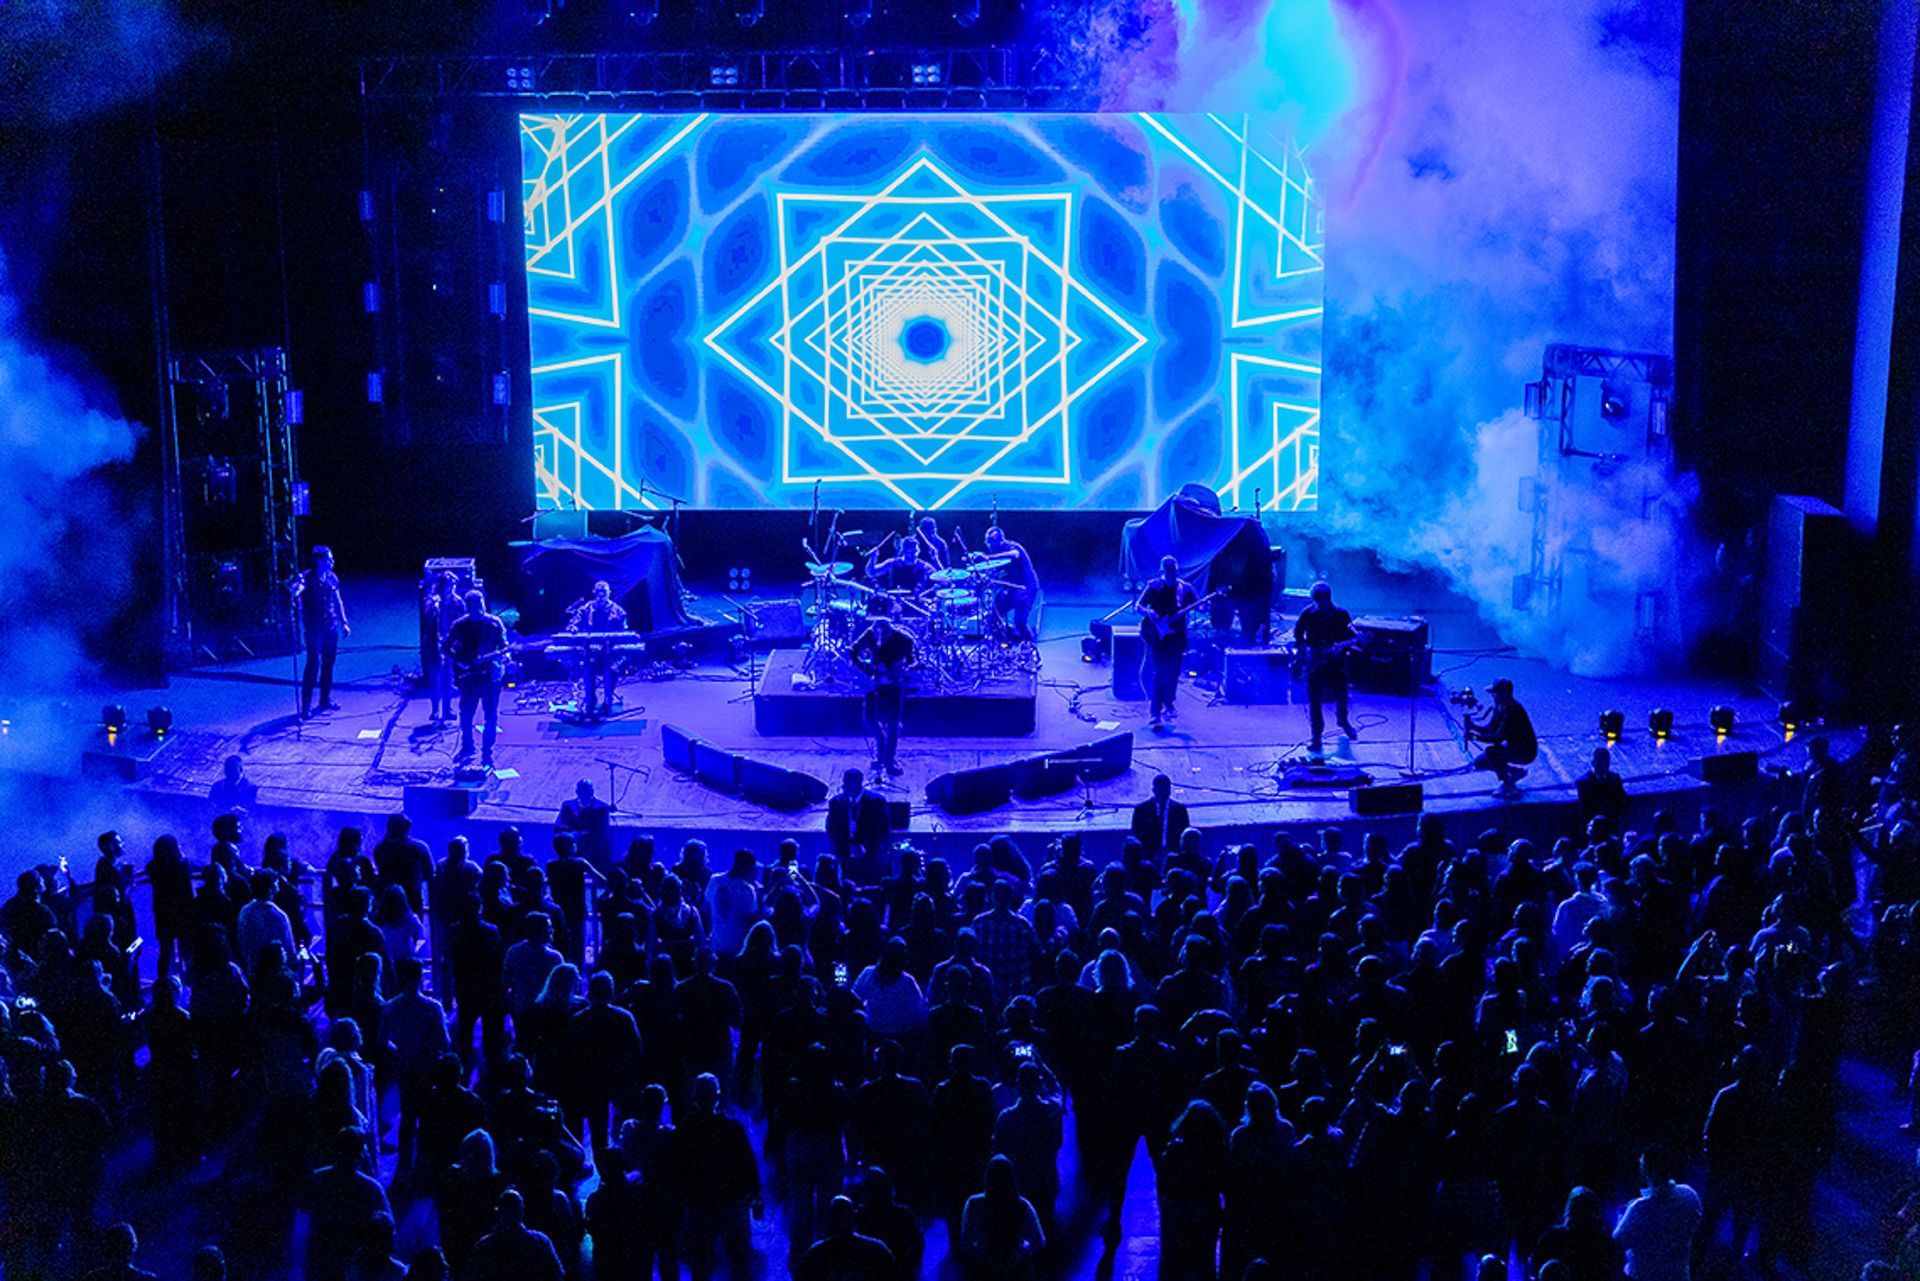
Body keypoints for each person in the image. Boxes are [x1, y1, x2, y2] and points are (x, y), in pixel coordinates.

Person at [1613, 1145, 1702, 1281]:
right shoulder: (1689, 1195)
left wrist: (1621, 1218)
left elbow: (1617, 1244)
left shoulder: (1639, 1208)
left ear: (1644, 1171)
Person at [445, 589, 510, 770]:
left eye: (480, 606)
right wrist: (461, 662)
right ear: (468, 608)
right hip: (469, 677)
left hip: (490, 676)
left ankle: (487, 753)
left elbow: (504, 646)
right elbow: (445, 648)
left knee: (491, 715)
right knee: (466, 714)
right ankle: (468, 747)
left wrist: (504, 657)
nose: (478, 610)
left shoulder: (494, 623)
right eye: (474, 607)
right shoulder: (460, 625)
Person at [1293, 579, 1358, 754]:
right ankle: (1316, 736)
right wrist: (1304, 650)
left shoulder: (1341, 615)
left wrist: (1343, 647)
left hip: (1336, 662)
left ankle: (1343, 721)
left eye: (1321, 601)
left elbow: (1350, 636)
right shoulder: (1308, 614)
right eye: (1316, 602)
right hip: (1315, 661)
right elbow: (1298, 634)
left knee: (1342, 694)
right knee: (1314, 699)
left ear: (1328, 599)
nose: (1319, 605)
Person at [1135, 554, 1198, 728]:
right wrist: (1149, 612)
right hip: (1157, 634)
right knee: (1160, 672)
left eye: (1173, 569)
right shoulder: (1153, 586)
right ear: (1162, 570)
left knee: (1174, 671)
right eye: (1168, 569)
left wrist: (1207, 603)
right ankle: (1155, 712)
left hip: (1177, 635)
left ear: (1177, 570)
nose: (1171, 572)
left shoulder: (1185, 589)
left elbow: (1199, 605)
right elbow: (1138, 606)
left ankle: (1169, 703)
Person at [851, 614, 914, 778]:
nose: (880, 636)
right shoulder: (870, 634)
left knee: (892, 724)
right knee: (870, 720)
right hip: (873, 685)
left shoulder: (903, 639)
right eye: (877, 630)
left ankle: (889, 761)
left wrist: (902, 671)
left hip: (893, 686)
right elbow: (852, 651)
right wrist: (864, 668)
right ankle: (880, 754)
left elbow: (912, 661)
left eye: (884, 632)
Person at [295, 544, 351, 719]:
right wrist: (296, 591)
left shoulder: (332, 578)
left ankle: (325, 700)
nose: (332, 562)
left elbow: (338, 600)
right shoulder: (306, 578)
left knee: (328, 663)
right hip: (314, 629)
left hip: (330, 627)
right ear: (319, 561)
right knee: (313, 665)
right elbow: (296, 593)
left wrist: (344, 622)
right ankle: (305, 707)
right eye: (329, 559)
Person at [566, 579, 630, 717]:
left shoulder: (618, 611)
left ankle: (608, 699)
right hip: (591, 652)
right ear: (594, 593)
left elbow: (625, 633)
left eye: (604, 593)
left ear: (609, 594)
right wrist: (573, 628)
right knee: (588, 669)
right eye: (598, 593)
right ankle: (590, 700)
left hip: (612, 653)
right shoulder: (585, 609)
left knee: (612, 670)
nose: (601, 596)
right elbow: (573, 623)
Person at [1467, 677, 1539, 796]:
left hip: (1525, 751)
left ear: (1504, 693)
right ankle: (1515, 772)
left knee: (1491, 752)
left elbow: (1497, 738)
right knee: (1480, 762)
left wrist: (1475, 737)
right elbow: (1490, 728)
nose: (1492, 696)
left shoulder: (1512, 711)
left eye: (1494, 693)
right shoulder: (1499, 707)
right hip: (1513, 746)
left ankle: (1508, 785)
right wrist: (1473, 727)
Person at [797, 1195, 895, 1281]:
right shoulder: (875, 1249)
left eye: (843, 1216)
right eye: (839, 1217)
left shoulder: (816, 1254)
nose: (841, 1221)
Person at [979, 526, 1039, 643]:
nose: (989, 546)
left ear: (1000, 541)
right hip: (1010, 589)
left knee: (1020, 622)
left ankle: (1030, 645)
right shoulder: (997, 552)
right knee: (993, 617)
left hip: (1025, 588)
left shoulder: (1013, 547)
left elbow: (1014, 554)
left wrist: (988, 557)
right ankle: (1003, 645)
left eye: (991, 543)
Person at [828, 769, 892, 878]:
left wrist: (865, 846)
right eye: (845, 783)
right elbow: (831, 828)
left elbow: (883, 829)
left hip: (870, 853)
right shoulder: (836, 802)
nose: (845, 787)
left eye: (849, 784)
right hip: (844, 853)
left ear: (859, 784)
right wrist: (845, 846)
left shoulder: (877, 801)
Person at [422, 569, 461, 722]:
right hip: (433, 646)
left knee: (448, 679)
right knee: (435, 680)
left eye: (453, 585)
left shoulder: (457, 602)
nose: (452, 589)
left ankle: (447, 709)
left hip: (449, 645)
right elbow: (427, 622)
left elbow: (462, 623)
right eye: (449, 585)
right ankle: (435, 711)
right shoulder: (433, 603)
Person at [1130, 773, 1191, 859]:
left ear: (1169, 791)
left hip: (1174, 856)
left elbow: (1185, 836)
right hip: (1148, 857)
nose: (1163, 794)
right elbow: (1136, 835)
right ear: (1154, 791)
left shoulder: (1180, 811)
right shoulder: (1141, 810)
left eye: (1165, 791)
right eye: (1160, 791)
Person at [556, 779, 612, 866]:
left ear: (592, 791)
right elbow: (559, 825)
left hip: (594, 850)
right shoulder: (567, 806)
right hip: (570, 849)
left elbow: (603, 831)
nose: (584, 794)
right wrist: (570, 836)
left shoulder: (601, 807)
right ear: (577, 792)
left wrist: (582, 835)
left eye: (587, 791)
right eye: (582, 791)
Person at [865, 532, 932, 604]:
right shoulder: (893, 563)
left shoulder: (923, 566)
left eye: (915, 551)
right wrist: (873, 558)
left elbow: (939, 576)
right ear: (904, 551)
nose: (914, 554)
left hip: (917, 603)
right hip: (895, 602)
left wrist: (935, 559)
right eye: (911, 552)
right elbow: (871, 573)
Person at [1576, 745, 1629, 829]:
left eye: (1605, 764)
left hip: (1612, 822)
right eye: (1600, 764)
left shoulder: (1614, 779)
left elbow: (1622, 800)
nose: (1603, 768)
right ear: (1593, 763)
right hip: (1592, 824)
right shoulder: (1584, 782)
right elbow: (1584, 808)